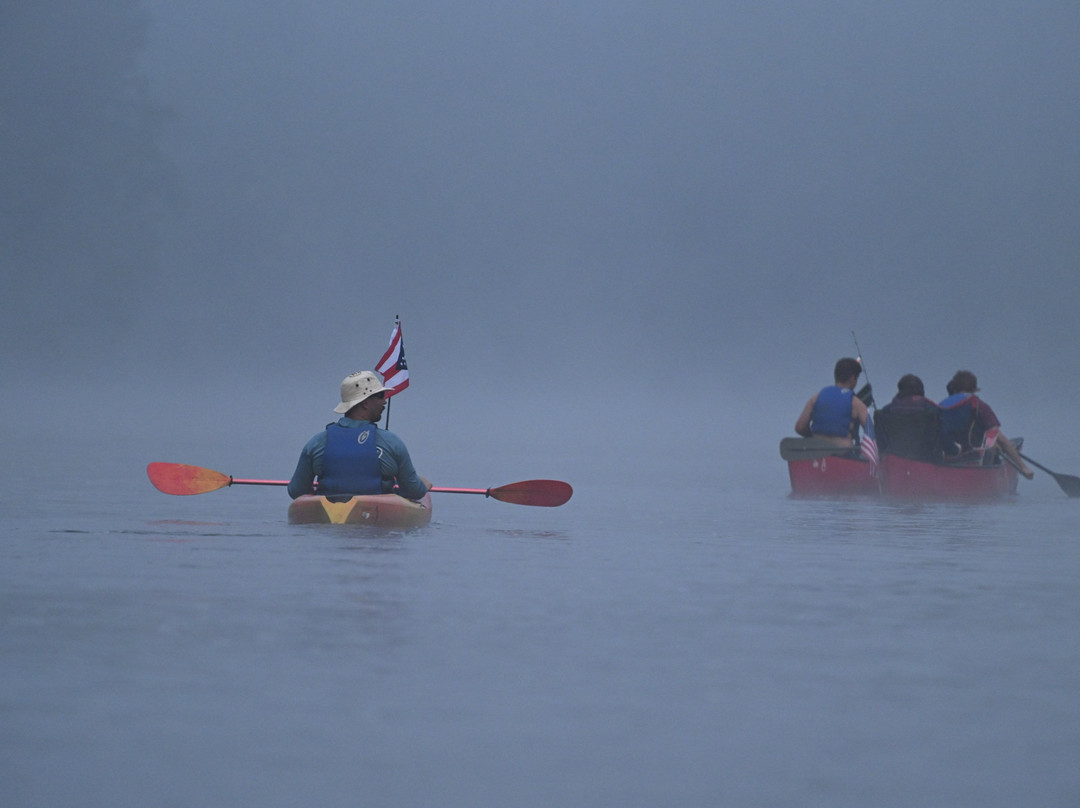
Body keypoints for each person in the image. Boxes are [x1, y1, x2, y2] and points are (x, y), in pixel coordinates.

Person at [288, 371, 431, 499]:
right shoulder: (391, 442)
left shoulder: (316, 443)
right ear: (365, 403)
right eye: (380, 396)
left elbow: (296, 491)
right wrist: (423, 485)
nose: (385, 401)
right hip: (377, 523)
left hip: (328, 521)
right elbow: (414, 492)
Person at [938, 370, 1033, 478]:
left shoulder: (940, 406)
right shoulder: (979, 406)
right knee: (993, 447)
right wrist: (1023, 467)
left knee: (993, 446)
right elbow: (1000, 438)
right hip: (971, 458)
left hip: (945, 456)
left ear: (953, 388)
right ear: (974, 389)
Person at [794, 357, 871, 448]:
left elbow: (800, 427)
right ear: (853, 378)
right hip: (844, 454)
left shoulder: (816, 398)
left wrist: (811, 435)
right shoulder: (857, 404)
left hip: (816, 451)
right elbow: (871, 435)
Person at [873, 374, 941, 460]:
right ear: (921, 391)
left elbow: (881, 443)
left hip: (894, 462)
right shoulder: (931, 411)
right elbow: (940, 437)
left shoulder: (884, 413)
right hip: (925, 462)